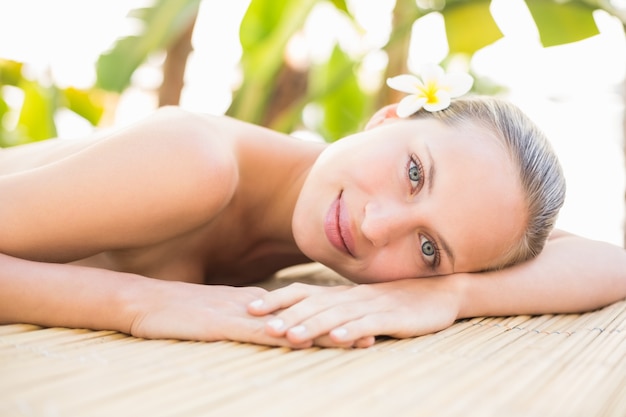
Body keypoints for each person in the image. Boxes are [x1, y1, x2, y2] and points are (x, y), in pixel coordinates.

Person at [0, 83, 624, 349]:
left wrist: (451, 295)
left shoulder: (337, 221)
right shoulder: (199, 163)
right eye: (414, 173)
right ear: (388, 118)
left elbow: (611, 262)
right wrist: (138, 304)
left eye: (428, 247)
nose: (377, 226)